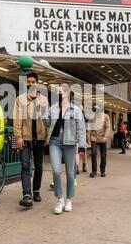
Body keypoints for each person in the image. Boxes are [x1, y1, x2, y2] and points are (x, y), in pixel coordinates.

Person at [43, 86, 86, 215]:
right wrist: (43, 114)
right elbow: (47, 123)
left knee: (70, 174)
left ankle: (69, 200)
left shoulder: (76, 110)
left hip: (70, 143)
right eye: (57, 92)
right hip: (54, 142)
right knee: (56, 171)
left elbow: (81, 129)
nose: (58, 93)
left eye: (60, 91)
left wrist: (82, 146)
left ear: (67, 93)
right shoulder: (53, 108)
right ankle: (59, 199)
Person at [14, 72, 49, 208]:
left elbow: (47, 120)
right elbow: (17, 120)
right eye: (28, 82)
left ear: (37, 83)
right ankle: (27, 194)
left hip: (40, 138)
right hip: (26, 138)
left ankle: (36, 191)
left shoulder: (44, 100)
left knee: (39, 166)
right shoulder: (20, 100)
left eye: (33, 81)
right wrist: (18, 136)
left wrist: (47, 136)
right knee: (25, 166)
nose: (31, 84)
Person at [88, 104, 111, 178]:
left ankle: (102, 170)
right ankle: (94, 171)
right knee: (94, 153)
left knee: (103, 155)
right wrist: (88, 138)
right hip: (94, 137)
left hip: (102, 138)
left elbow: (108, 127)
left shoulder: (106, 117)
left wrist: (105, 136)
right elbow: (89, 128)